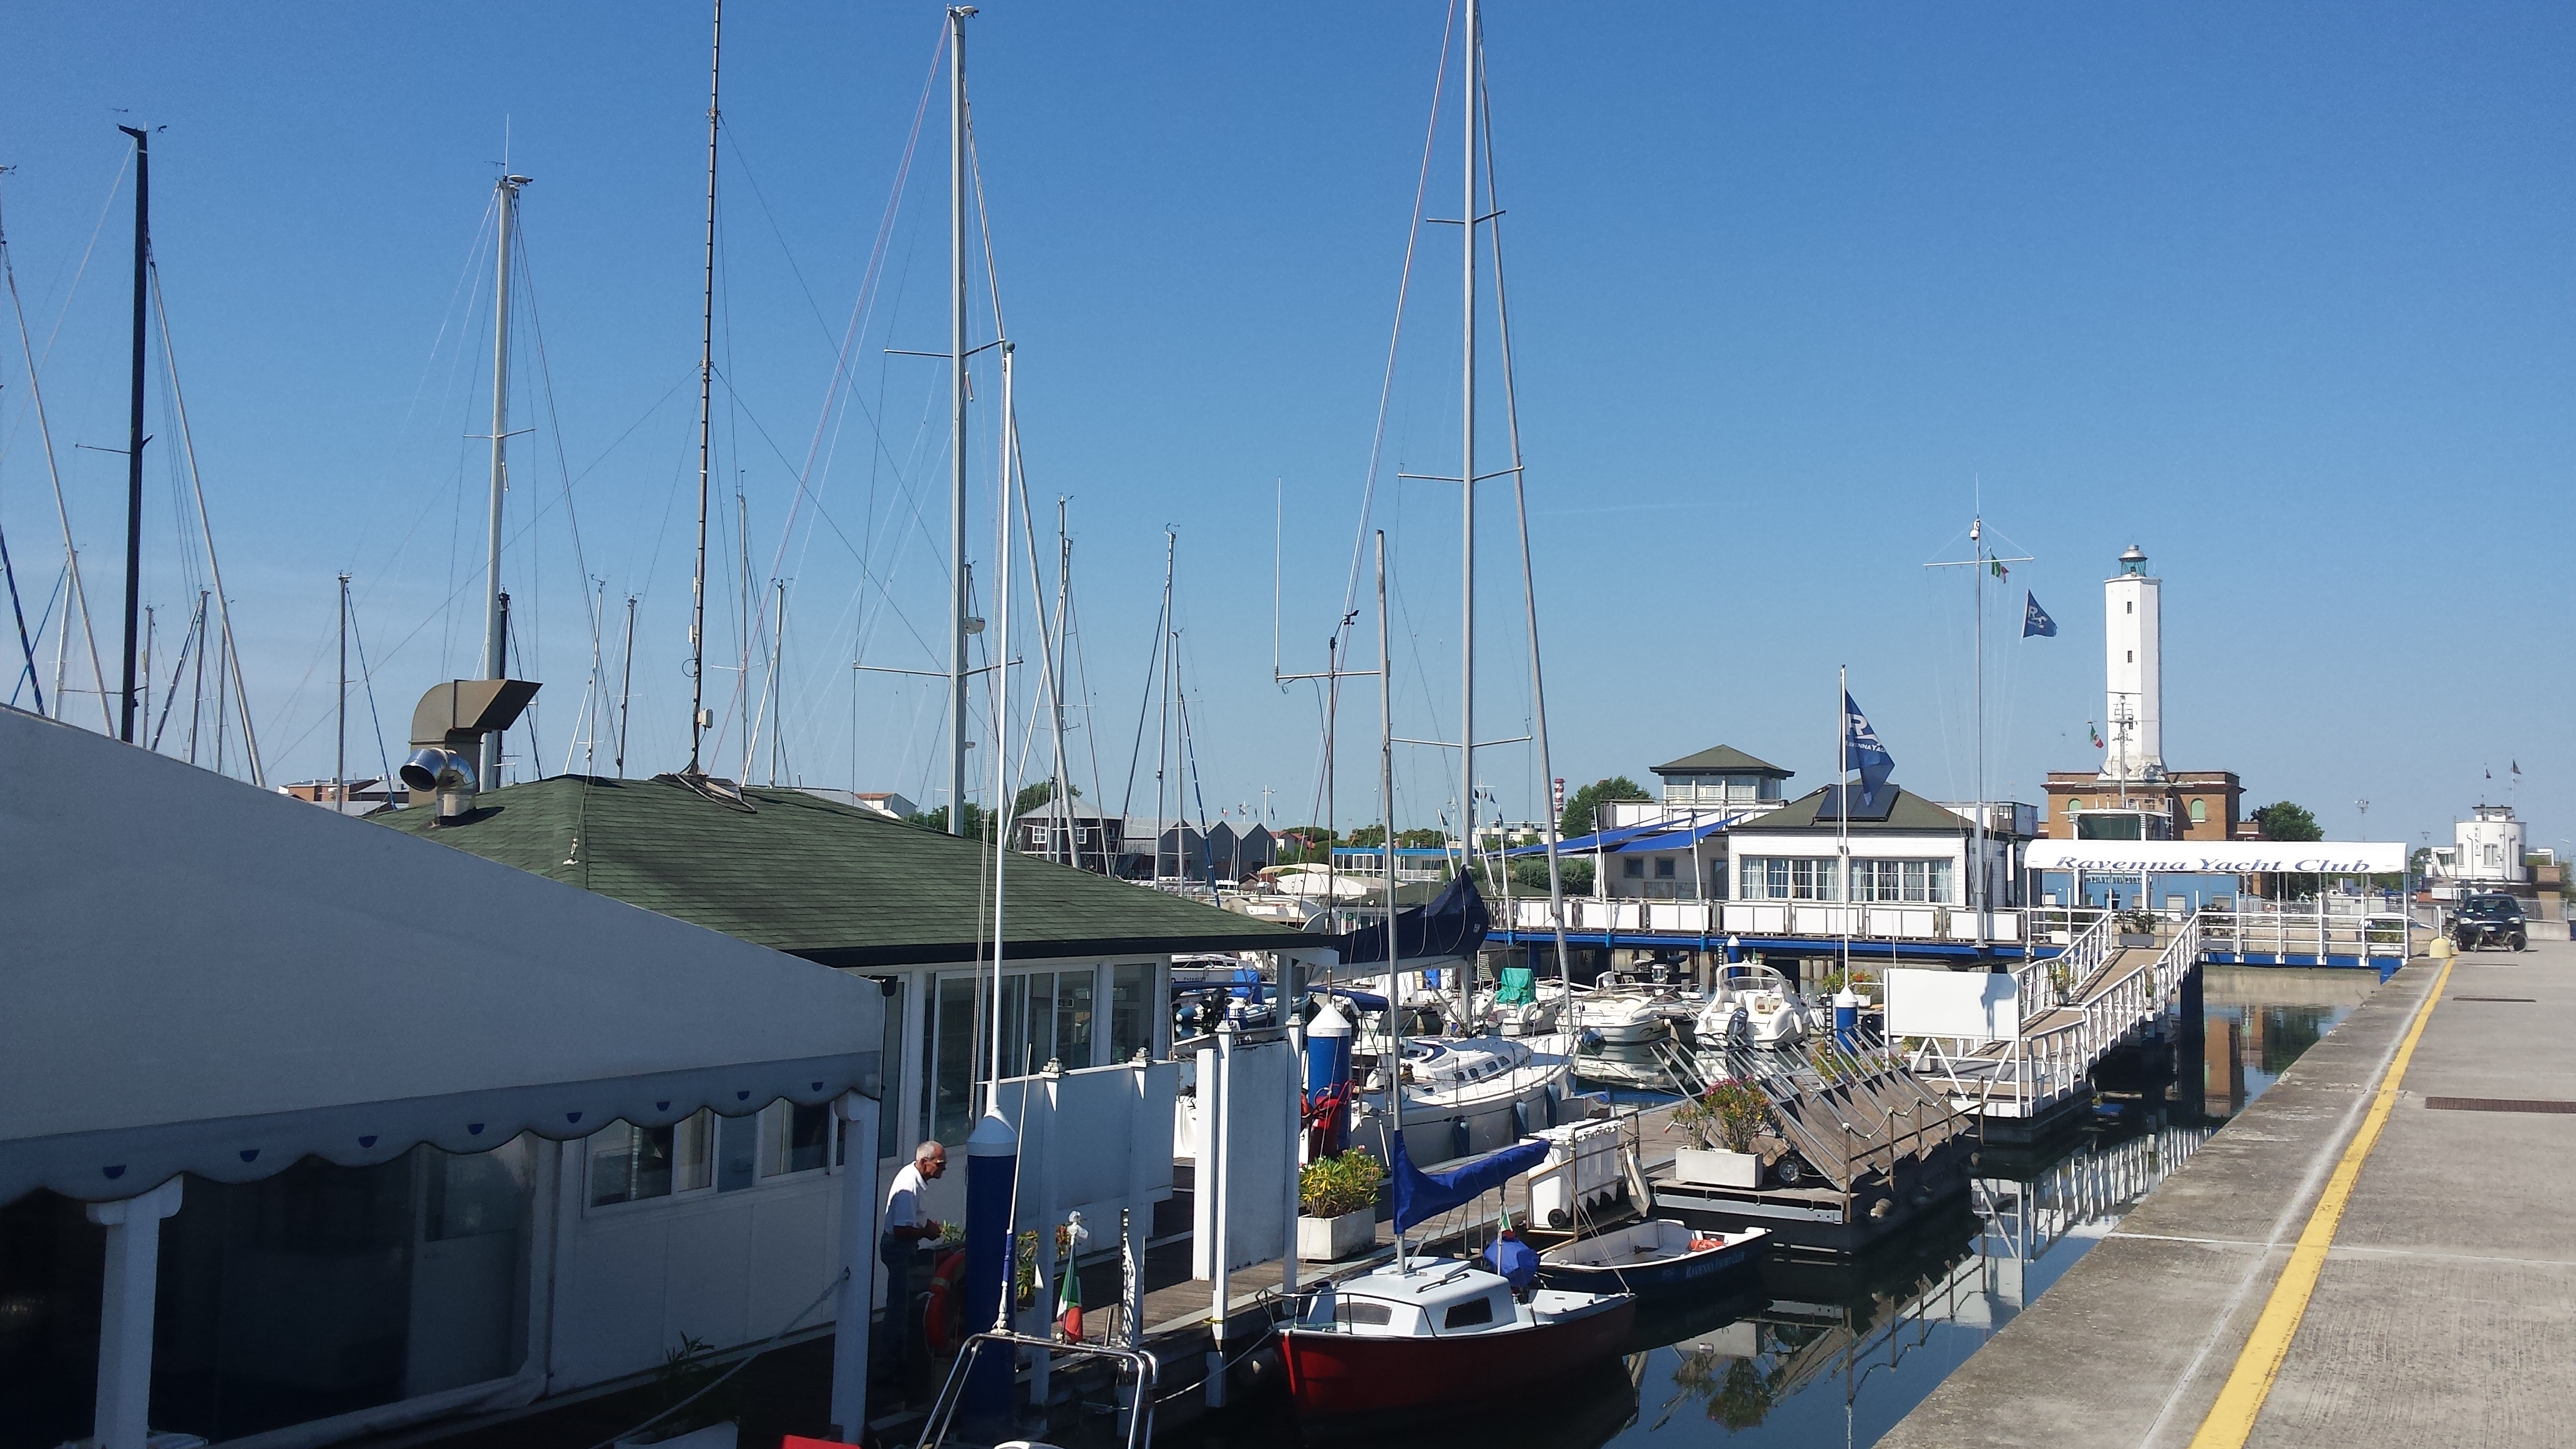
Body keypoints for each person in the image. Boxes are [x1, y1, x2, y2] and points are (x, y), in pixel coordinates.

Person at [876, 1139, 947, 1391]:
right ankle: (889, 1367)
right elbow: (901, 1228)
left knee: (903, 1306)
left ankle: (897, 1361)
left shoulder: (915, 1180)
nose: (944, 1168)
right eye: (940, 1163)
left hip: (901, 1247)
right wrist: (927, 1232)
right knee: (899, 1310)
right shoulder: (909, 1186)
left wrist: (926, 1225)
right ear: (924, 1161)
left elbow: (909, 1220)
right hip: (899, 1249)